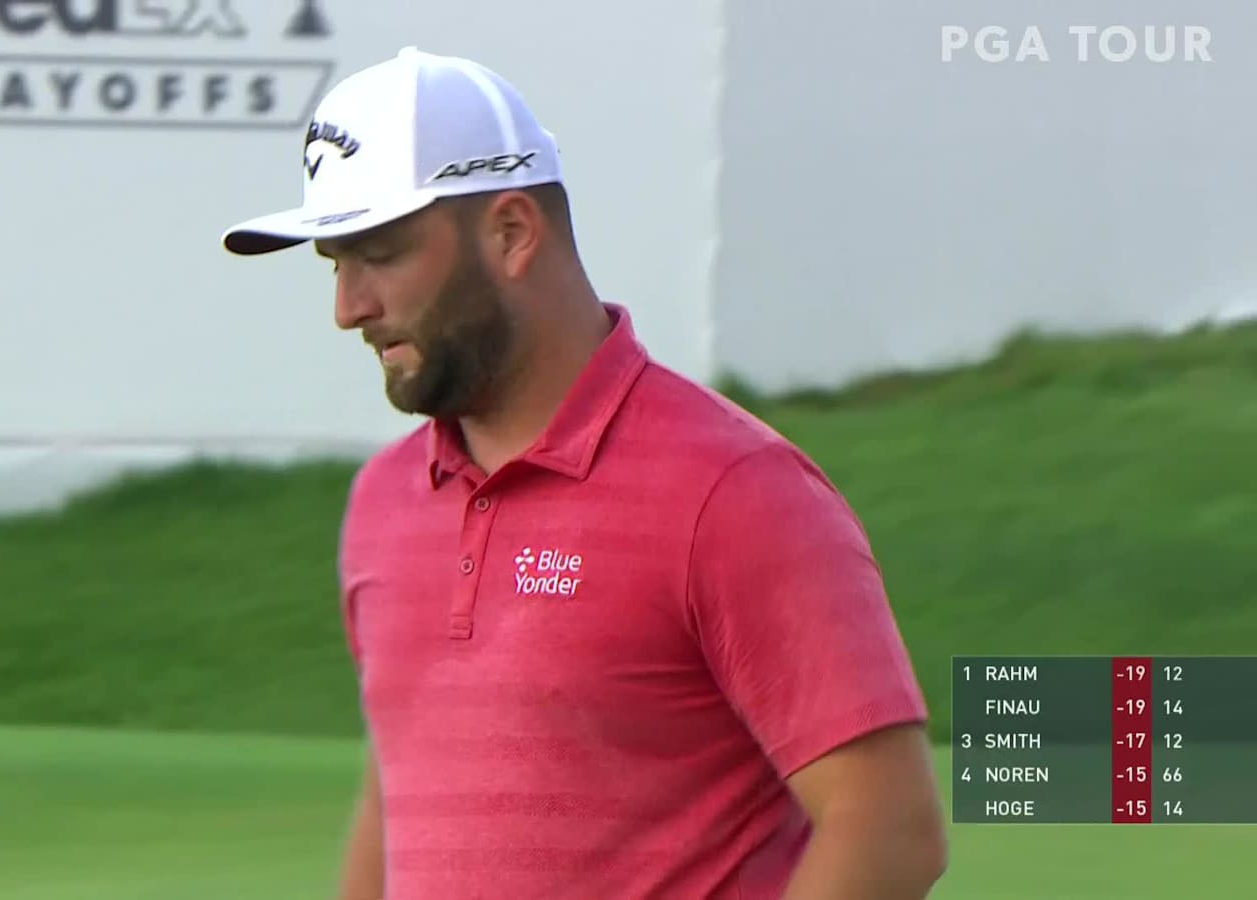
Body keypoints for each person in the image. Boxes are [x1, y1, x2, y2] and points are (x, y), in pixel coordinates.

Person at [220, 46, 947, 900]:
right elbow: (399, 799)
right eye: (335, 263)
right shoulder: (383, 501)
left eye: (378, 253)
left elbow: (888, 828)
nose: (349, 307)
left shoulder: (735, 490)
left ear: (511, 233)